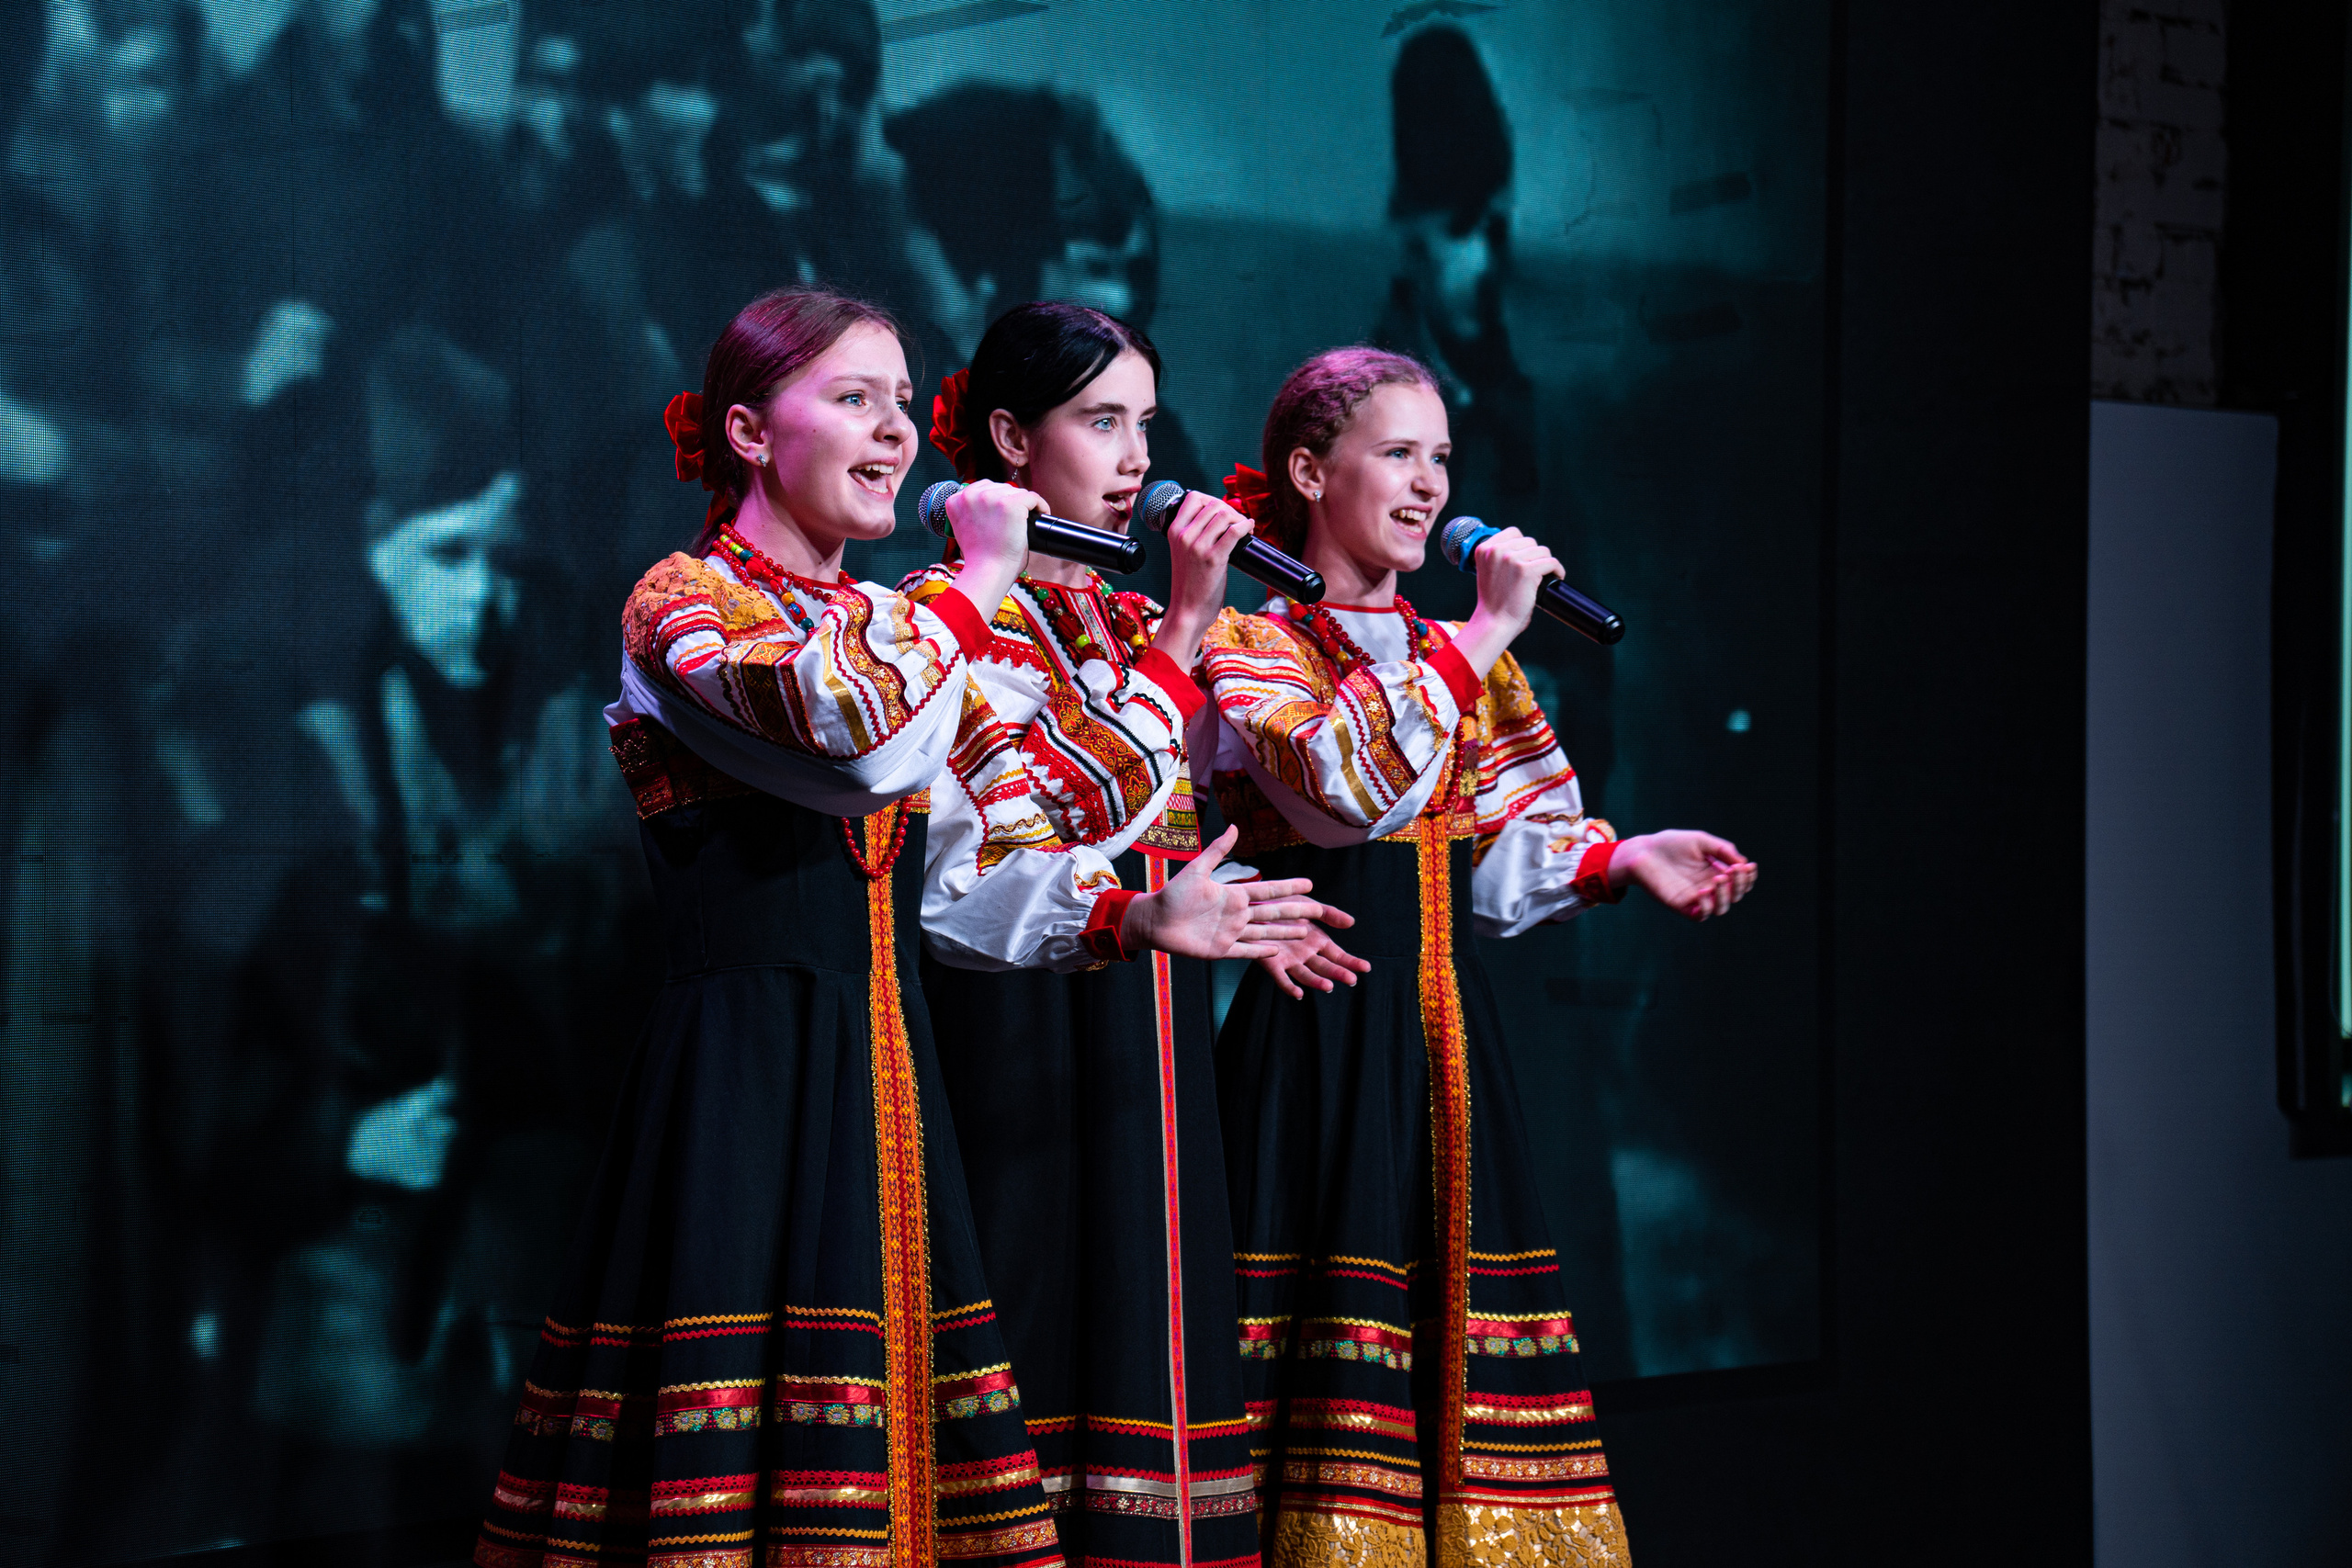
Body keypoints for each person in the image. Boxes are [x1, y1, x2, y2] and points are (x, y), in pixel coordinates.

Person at [473, 288, 1318, 1568]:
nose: (891, 434)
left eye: (895, 402)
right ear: (752, 434)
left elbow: (1008, 836)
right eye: (852, 400)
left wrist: (1132, 911)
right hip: (747, 1066)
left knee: (908, 1455)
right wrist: (983, 575)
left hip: (889, 1072)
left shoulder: (890, 624)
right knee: (751, 1434)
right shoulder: (688, 602)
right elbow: (852, 739)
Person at [1197, 348, 1758, 1568]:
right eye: (1396, 453)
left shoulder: (1458, 658)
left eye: (1440, 458)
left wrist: (1623, 858)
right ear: (1309, 471)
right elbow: (1349, 794)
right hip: (1322, 1049)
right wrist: (1485, 629)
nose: (1428, 484)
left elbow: (1492, 865)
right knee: (1316, 1366)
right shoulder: (1253, 643)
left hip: (1449, 1051)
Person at [905, 302, 1334, 1568]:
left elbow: (1212, 802)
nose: (1140, 455)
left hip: (1148, 1023)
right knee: (1038, 1295)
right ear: (1007, 438)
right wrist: (1188, 636)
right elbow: (1033, 819)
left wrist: (1257, 902)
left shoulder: (1124, 623)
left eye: (1145, 423)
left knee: (1158, 1308)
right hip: (1024, 1012)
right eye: (1103, 422)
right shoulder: (950, 613)